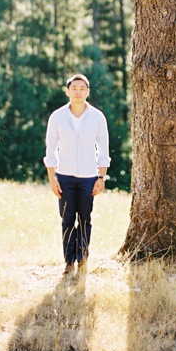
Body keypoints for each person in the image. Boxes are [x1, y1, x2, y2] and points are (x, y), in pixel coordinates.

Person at [44, 73, 111, 276]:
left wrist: (101, 178)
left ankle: (82, 260)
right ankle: (68, 262)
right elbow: (50, 149)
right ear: (67, 91)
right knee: (66, 220)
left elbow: (104, 150)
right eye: (74, 88)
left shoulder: (98, 117)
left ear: (88, 92)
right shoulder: (57, 117)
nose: (78, 91)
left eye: (82, 88)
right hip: (63, 176)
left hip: (89, 177)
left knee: (84, 219)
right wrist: (52, 178)